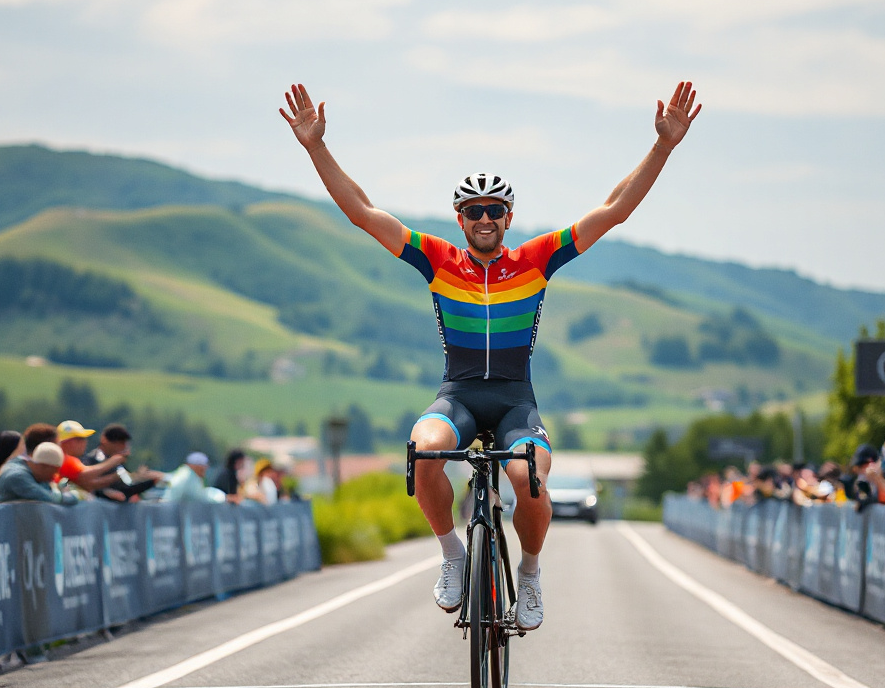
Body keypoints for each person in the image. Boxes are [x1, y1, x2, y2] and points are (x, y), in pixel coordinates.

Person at [282, 80, 702, 630]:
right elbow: (362, 212)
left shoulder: (536, 259)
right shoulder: (436, 259)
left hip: (514, 402)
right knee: (423, 449)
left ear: (508, 216)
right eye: (474, 209)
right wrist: (315, 146)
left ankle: (528, 574)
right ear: (460, 218)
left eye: (495, 209)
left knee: (528, 478)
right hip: (457, 396)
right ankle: (453, 555)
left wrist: (663, 146)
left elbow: (614, 210)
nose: (485, 217)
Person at [82, 423, 160, 501]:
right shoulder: (91, 459)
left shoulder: (119, 464)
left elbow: (126, 487)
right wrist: (105, 492)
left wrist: (148, 481)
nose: (122, 447)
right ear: (105, 440)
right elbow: (83, 483)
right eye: (119, 442)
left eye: (124, 443)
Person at [53, 420, 127, 497]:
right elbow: (84, 476)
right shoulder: (63, 459)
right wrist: (113, 461)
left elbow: (88, 484)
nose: (85, 442)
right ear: (66, 441)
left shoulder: (69, 459)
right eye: (80, 439)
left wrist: (114, 477)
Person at [0, 442, 78, 505]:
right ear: (44, 466)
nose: (54, 477)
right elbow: (48, 498)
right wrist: (72, 496)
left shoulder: (30, 470)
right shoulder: (17, 477)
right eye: (54, 472)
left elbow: (48, 489)